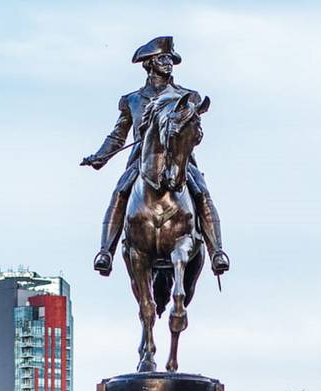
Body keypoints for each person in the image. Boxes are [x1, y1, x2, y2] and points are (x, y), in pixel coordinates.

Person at [81, 36, 230, 277]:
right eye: (163, 58)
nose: (168, 63)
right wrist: (100, 156)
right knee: (120, 191)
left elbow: (196, 133)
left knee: (202, 192)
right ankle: (105, 252)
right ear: (149, 64)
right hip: (142, 160)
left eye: (170, 59)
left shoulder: (187, 96)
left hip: (179, 159)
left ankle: (217, 252)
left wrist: (191, 135)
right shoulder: (132, 100)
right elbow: (118, 136)